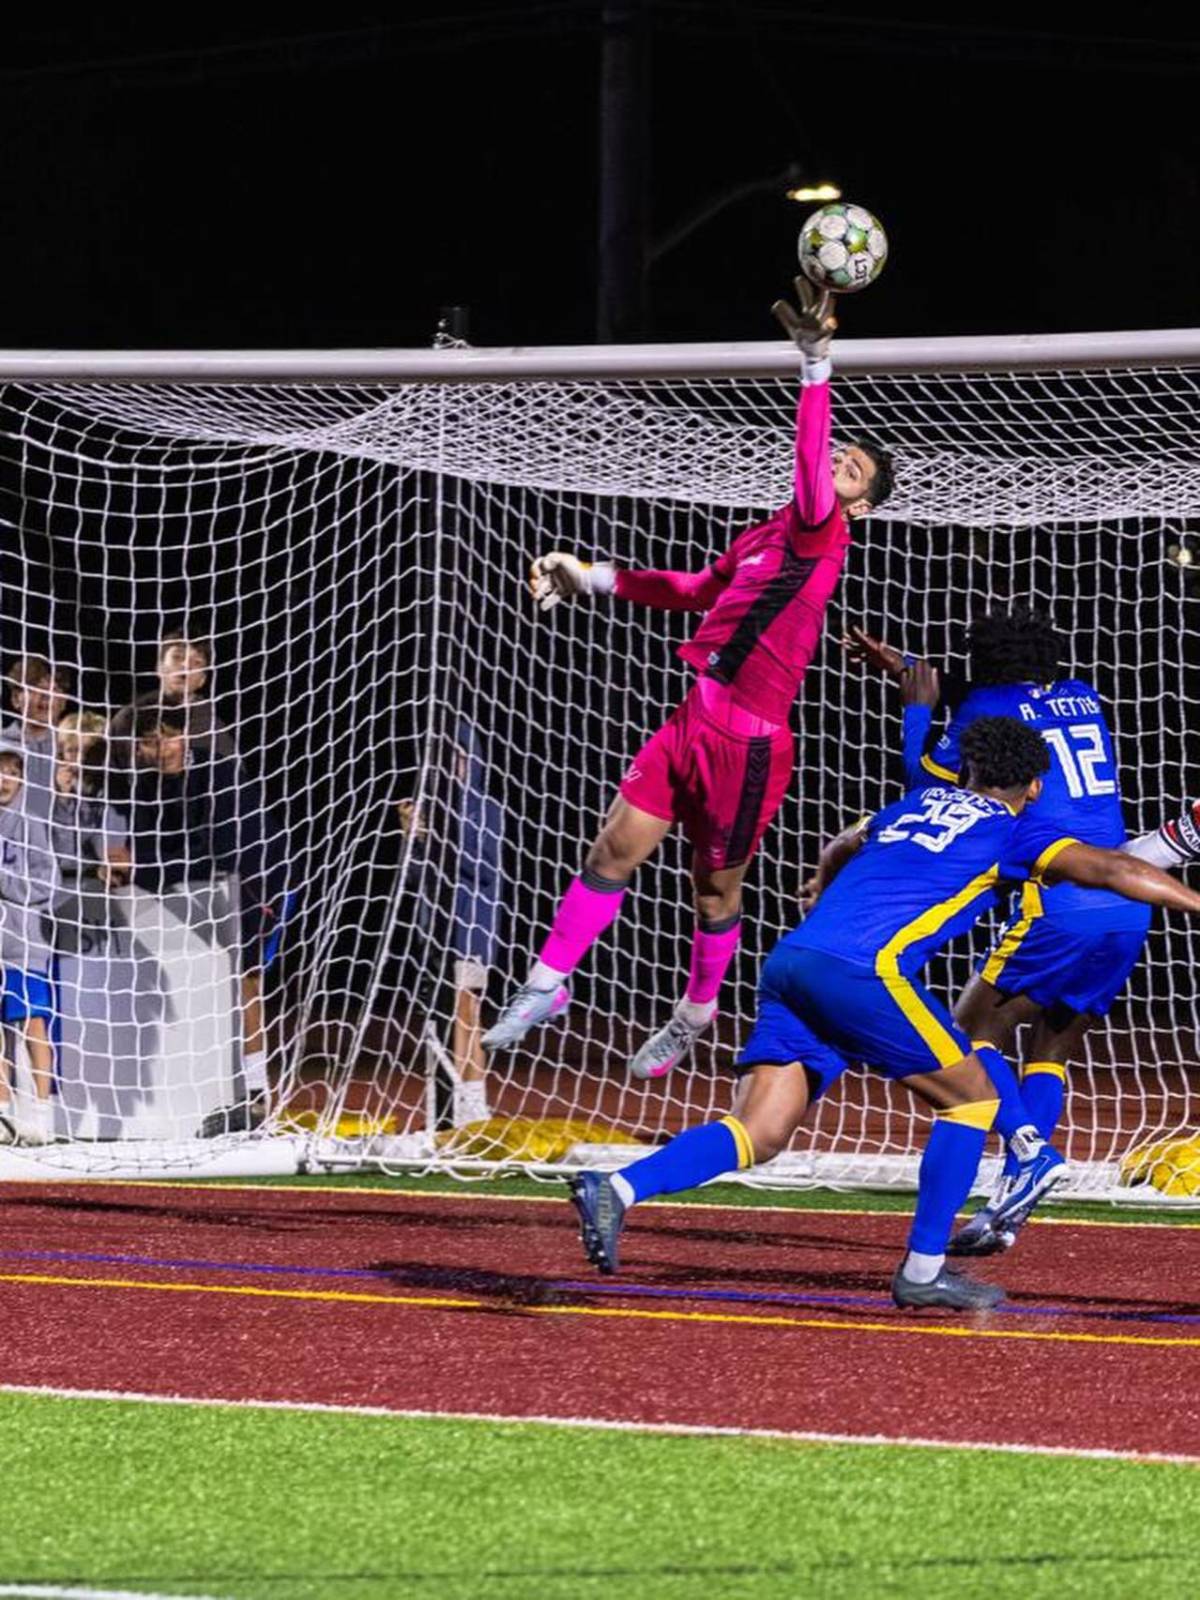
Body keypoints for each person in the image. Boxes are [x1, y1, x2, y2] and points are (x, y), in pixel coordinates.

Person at [568, 717, 1200, 1310]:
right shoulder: (1015, 829)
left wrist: (821, 882)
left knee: (758, 1133)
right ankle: (923, 1272)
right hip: (861, 973)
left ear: (971, 768)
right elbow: (1114, 868)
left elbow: (846, 842)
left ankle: (616, 1189)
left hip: (792, 961)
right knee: (973, 1101)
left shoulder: (914, 804)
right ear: (1034, 786)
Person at [485, 280, 895, 1077]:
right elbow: (695, 591)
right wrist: (592, 577)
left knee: (713, 894)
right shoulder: (770, 532)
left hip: (748, 748)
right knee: (611, 852)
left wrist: (816, 366)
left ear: (863, 508)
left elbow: (811, 467)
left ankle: (696, 1010)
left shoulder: (821, 534)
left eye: (857, 469)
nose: (844, 462)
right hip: (691, 718)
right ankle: (547, 982)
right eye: (843, 455)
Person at [843, 608, 1177, 1253]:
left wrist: (917, 706)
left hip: (1056, 896)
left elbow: (931, 785)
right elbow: (1013, 704)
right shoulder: (1084, 695)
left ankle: (1027, 1151)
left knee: (973, 1034)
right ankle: (1007, 1208)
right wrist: (911, 667)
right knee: (1050, 1051)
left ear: (984, 661)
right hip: (1126, 898)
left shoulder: (984, 707)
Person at [125, 706, 294, 1134]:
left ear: (185, 737)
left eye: (168, 737)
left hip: (261, 883)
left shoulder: (219, 774)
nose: (160, 749)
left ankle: (258, 1095)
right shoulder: (143, 788)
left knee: (246, 980)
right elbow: (146, 860)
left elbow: (234, 844)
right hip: (203, 889)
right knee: (203, 982)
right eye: (149, 741)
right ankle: (219, 1094)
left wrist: (170, 868)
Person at [396, 721, 504, 1126]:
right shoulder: (428, 807)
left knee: (466, 1011)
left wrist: (436, 838)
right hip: (434, 929)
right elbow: (413, 878)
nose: (450, 766)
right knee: (439, 1015)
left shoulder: (484, 807)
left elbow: (484, 866)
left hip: (472, 926)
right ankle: (447, 1104)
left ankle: (474, 1103)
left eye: (457, 757)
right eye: (442, 759)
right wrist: (413, 837)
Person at [0, 748, 60, 1145]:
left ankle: (43, 1115)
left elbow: (49, 882)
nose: (4, 780)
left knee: (33, 1025)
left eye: (11, 773)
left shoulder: (31, 824)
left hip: (24, 944)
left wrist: (8, 885)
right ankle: (4, 1116)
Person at [107, 630, 236, 769]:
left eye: (197, 662)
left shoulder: (212, 729)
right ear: (159, 667)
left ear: (202, 680)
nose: (186, 666)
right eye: (177, 657)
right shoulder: (129, 717)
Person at [1, 655, 73, 823]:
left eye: (54, 689)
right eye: (35, 689)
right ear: (15, 699)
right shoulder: (2, 744)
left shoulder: (73, 749)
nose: (46, 697)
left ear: (63, 702)